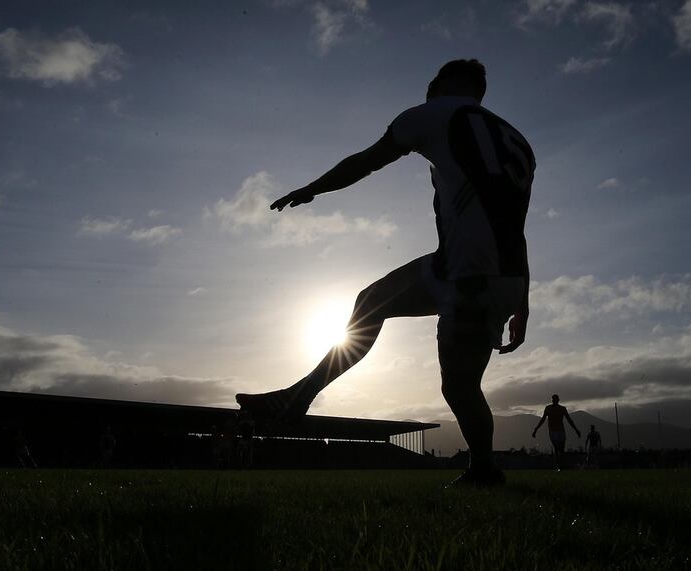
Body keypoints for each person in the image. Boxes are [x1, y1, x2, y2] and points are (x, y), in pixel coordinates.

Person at [236, 59, 535, 486]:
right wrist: (523, 301)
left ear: (443, 85)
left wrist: (311, 189)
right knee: (370, 301)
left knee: (460, 387)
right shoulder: (517, 140)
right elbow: (515, 227)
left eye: (432, 83)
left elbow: (367, 161)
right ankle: (297, 398)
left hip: (469, 275)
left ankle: (484, 471)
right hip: (487, 273)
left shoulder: (432, 113)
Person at [531, 394, 580, 470]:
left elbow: (569, 420)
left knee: (561, 450)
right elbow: (543, 419)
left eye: (555, 399)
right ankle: (558, 466)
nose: (554, 401)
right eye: (553, 399)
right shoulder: (548, 408)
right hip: (552, 431)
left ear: (558, 400)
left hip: (561, 431)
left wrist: (576, 430)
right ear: (552, 400)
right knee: (556, 448)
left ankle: (561, 465)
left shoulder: (562, 409)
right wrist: (536, 429)